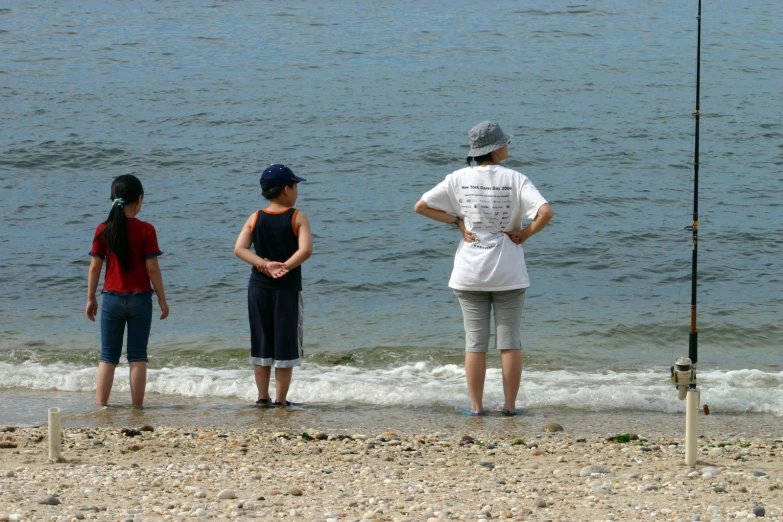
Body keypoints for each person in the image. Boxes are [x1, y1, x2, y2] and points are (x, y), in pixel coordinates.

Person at [414, 121, 553, 416]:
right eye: (505, 142)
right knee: (510, 342)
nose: (508, 146)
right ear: (495, 148)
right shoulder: (515, 178)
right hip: (508, 271)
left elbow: (421, 206)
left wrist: (456, 221)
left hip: (469, 271)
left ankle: (476, 408)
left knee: (475, 344)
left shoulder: (458, 178)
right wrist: (525, 234)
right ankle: (510, 407)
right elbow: (545, 212)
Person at [86, 174, 169, 408]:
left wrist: (91, 298)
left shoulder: (103, 229)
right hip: (140, 299)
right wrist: (162, 299)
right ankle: (137, 407)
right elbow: (152, 268)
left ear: (113, 199)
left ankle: (101, 406)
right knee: (138, 356)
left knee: (108, 357)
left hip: (111, 298)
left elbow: (95, 267)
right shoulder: (146, 230)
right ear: (139, 200)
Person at [234, 164, 313, 408]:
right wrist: (286, 266)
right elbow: (306, 249)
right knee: (285, 342)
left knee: (261, 339)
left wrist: (264, 265)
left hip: (258, 288)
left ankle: (262, 397)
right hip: (287, 288)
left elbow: (240, 248)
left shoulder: (255, 217)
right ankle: (280, 400)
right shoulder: (297, 216)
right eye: (295, 186)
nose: (297, 191)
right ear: (287, 189)